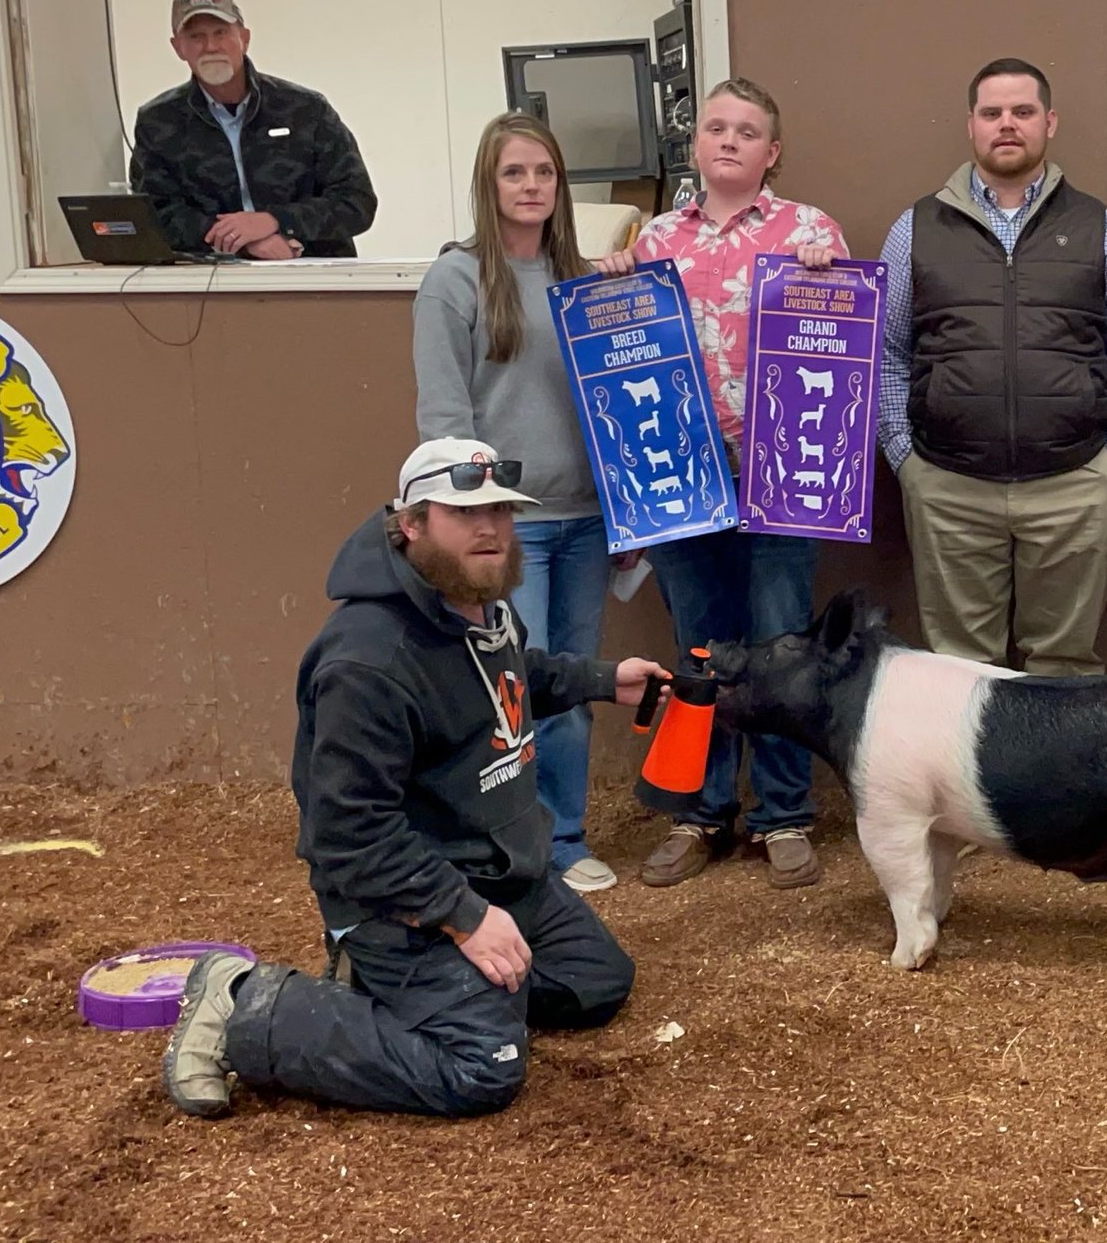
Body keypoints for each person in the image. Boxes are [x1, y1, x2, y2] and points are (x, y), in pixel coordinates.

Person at [161, 438, 667, 1119]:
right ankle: (248, 1002)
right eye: (464, 511)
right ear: (411, 524)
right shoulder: (369, 659)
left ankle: (408, 996)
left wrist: (604, 680)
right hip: (400, 898)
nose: (489, 526)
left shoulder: (481, 603)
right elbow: (347, 834)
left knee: (598, 981)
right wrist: (462, 917)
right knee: (485, 1065)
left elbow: (513, 676)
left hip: (501, 875)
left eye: (500, 509)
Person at [594, 78, 846, 891]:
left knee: (780, 641)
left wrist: (827, 275)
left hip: (784, 468)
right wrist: (614, 283)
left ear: (771, 152)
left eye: (748, 131)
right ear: (697, 145)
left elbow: (846, 332)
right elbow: (619, 337)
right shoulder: (656, 238)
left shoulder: (810, 229)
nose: (730, 140)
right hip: (681, 473)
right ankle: (701, 810)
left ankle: (782, 814)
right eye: (716, 128)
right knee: (698, 643)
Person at [877, 57, 1107, 675]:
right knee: (959, 674)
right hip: (949, 488)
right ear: (971, 126)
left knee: (1062, 671)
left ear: (1050, 122)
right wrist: (907, 458)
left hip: (1073, 486)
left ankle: (1049, 780)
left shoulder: (1099, 227)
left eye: (1023, 112)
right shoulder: (916, 228)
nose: (1008, 125)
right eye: (992, 113)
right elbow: (888, 351)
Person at [415, 113, 617, 892]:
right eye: (514, 173)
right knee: (508, 689)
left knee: (570, 689)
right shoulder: (455, 279)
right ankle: (510, 845)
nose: (532, 186)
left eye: (545, 173)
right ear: (487, 184)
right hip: (509, 526)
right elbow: (443, 416)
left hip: (589, 519)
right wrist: (473, 521)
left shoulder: (585, 279)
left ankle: (565, 837)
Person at [129, 0, 377, 258]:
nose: (211, 46)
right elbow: (155, 215)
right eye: (196, 36)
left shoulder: (306, 109)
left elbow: (357, 202)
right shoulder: (158, 122)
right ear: (178, 48)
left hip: (316, 275)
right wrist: (244, 241)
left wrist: (275, 221)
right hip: (210, 282)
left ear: (244, 38)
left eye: (221, 33)